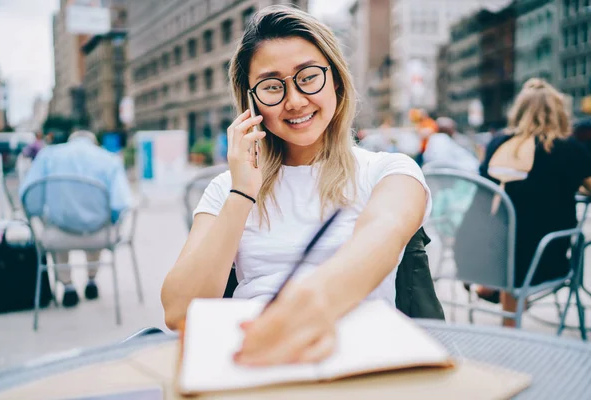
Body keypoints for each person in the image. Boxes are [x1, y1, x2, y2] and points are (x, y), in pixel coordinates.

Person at [161, 6, 431, 366]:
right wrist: (242, 192)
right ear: (252, 101)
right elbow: (179, 310)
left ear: (335, 79)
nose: (295, 101)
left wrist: (293, 317)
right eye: (272, 86)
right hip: (251, 357)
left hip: (355, 357)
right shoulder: (226, 188)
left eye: (308, 77)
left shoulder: (389, 172)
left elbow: (383, 236)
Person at [455, 78, 591, 326]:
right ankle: (510, 308)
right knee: (527, 243)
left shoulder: (498, 144)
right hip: (544, 259)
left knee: (513, 240)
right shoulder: (568, 149)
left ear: (518, 112)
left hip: (485, 258)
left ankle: (501, 297)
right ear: (560, 113)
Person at [19, 130, 132, 307]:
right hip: (99, 236)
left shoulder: (49, 156)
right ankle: (92, 279)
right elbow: (120, 204)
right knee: (100, 221)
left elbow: (29, 198)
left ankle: (68, 285)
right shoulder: (109, 159)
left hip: (59, 234)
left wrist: (40, 217)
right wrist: (112, 220)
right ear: (93, 142)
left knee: (55, 224)